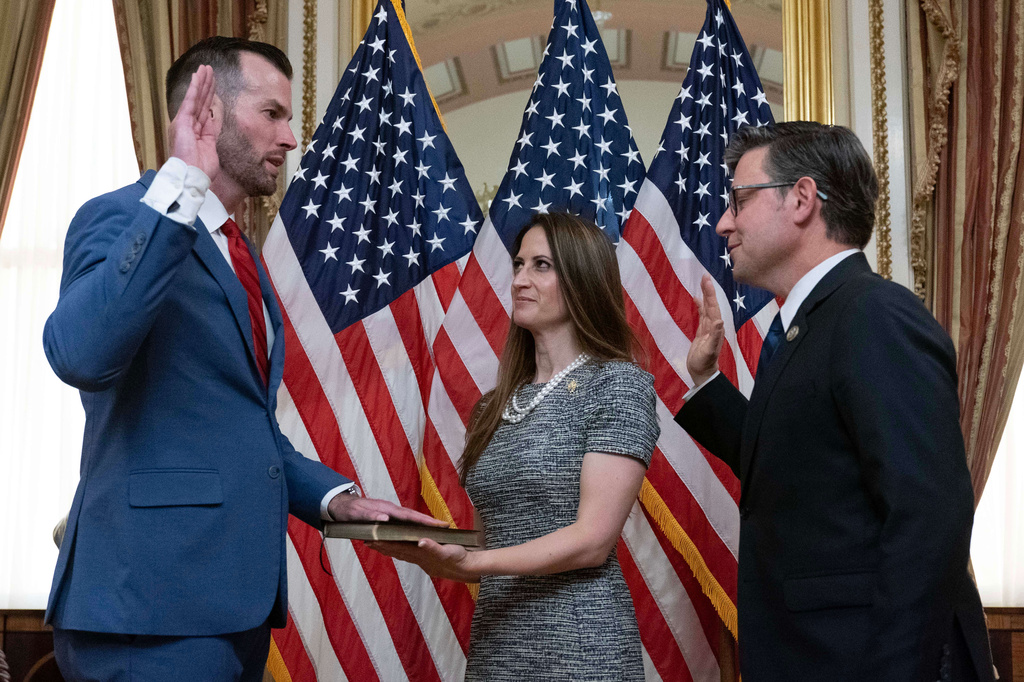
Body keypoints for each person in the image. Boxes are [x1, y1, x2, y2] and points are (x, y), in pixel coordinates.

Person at [42, 37, 442, 680]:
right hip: (149, 610)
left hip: (232, 611)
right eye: (272, 114)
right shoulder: (120, 216)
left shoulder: (240, 250)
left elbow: (238, 426)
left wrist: (336, 498)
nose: (290, 139)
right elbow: (82, 354)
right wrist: (179, 184)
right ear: (207, 115)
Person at [676, 121, 994, 681]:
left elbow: (929, 515)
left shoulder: (874, 315)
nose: (724, 222)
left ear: (801, 199)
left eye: (739, 199)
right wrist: (706, 384)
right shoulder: (816, 322)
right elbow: (802, 470)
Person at [371, 212, 660, 681]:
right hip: (497, 646)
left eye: (541, 266)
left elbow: (591, 541)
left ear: (582, 279)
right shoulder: (492, 407)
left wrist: (476, 560)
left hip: (583, 647)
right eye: (519, 264)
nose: (521, 279)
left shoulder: (618, 384)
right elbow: (492, 547)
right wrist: (425, 546)